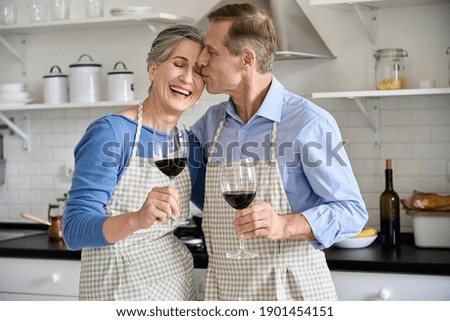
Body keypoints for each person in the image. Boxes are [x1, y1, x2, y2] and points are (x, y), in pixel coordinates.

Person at [190, 3, 368, 300]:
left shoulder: (309, 123)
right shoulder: (210, 124)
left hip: (290, 291)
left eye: (212, 51)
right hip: (224, 292)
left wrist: (284, 224)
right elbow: (194, 188)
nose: (201, 61)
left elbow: (351, 212)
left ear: (246, 59)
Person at [62, 24, 205, 301]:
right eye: (179, 64)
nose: (188, 78)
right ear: (153, 70)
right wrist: (138, 218)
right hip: (119, 291)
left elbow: (218, 206)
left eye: (198, 70)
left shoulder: (188, 143)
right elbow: (73, 229)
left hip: (175, 287)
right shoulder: (112, 133)